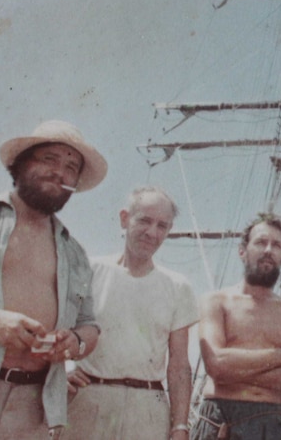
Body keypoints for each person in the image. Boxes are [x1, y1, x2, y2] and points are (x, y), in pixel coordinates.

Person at [0, 120, 107, 439]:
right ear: (20, 163)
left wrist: (74, 343)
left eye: (71, 166)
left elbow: (90, 324)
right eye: (49, 159)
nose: (59, 172)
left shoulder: (75, 253)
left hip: (34, 412)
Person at [65, 186, 199, 439]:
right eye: (145, 221)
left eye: (162, 226)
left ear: (169, 231)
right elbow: (54, 329)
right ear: (124, 219)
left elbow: (180, 365)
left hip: (148, 408)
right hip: (88, 399)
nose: (152, 232)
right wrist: (58, 375)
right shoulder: (88, 272)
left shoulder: (177, 286)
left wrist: (180, 426)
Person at [192, 214, 281, 440]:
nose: (269, 249)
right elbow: (217, 365)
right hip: (220, 417)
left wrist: (235, 372)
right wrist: (279, 356)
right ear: (242, 251)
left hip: (272, 421)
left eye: (276, 245)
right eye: (261, 242)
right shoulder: (216, 302)